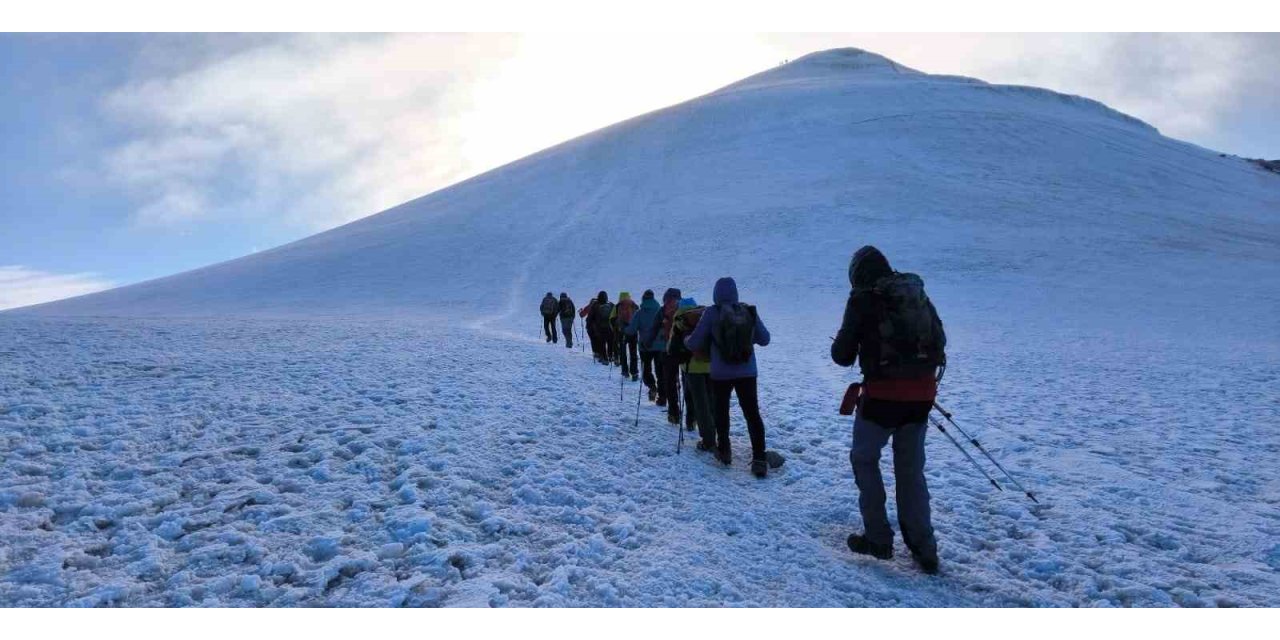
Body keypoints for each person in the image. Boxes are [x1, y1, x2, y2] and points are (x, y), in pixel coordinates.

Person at [831, 245, 946, 575]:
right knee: (911, 471)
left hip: (881, 398)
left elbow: (842, 354)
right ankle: (925, 548)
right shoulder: (915, 292)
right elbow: (940, 339)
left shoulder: (862, 299)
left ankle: (879, 539)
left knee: (864, 459)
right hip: (921, 395)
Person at [684, 277, 772, 477]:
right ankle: (759, 458)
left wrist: (686, 339)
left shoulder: (711, 312)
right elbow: (765, 339)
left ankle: (724, 451)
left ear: (716, 294)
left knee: (721, 411)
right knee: (752, 413)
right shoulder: (748, 311)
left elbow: (695, 342)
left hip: (720, 374)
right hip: (748, 373)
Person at [671, 297, 712, 442]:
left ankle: (694, 424)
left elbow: (672, 347)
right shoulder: (706, 315)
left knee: (695, 399)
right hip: (710, 365)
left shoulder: (680, 319)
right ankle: (714, 430)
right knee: (710, 399)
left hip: (690, 367)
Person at [625, 290, 663, 403]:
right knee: (660, 371)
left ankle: (652, 386)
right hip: (661, 346)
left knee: (646, 370)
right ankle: (662, 397)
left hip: (645, 346)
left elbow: (631, 330)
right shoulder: (660, 310)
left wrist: (623, 329)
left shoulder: (640, 313)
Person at [658, 288, 683, 425]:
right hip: (686, 352)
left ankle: (674, 413)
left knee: (670, 382)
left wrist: (647, 342)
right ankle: (692, 417)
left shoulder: (663, 311)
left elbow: (654, 328)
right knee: (689, 384)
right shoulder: (687, 309)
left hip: (668, 351)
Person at [612, 291, 640, 381]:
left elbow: (611, 319)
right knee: (633, 352)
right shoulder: (635, 305)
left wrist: (615, 330)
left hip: (622, 333)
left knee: (623, 353)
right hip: (633, 332)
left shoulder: (617, 307)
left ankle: (625, 371)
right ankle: (634, 372)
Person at [592, 292, 616, 366]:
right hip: (610, 327)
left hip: (601, 328)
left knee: (602, 343)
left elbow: (593, 318)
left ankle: (604, 358)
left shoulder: (596, 305)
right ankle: (611, 356)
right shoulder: (611, 305)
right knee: (610, 342)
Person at [580, 293, 604, 363]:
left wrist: (581, 311)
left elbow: (582, 315)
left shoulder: (590, 305)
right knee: (600, 340)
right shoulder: (602, 305)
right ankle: (602, 353)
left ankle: (596, 353)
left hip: (590, 326)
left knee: (593, 340)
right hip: (600, 326)